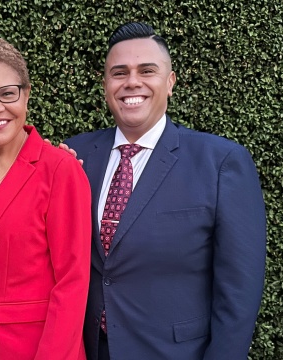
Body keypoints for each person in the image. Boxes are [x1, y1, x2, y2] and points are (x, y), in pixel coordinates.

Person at [63, 22, 267, 360]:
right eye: (119, 73)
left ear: (170, 82)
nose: (132, 82)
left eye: (147, 70)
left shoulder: (221, 162)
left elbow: (240, 294)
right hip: (89, 350)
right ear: (105, 85)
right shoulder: (74, 156)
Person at [0, 38, 91, 360]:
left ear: (26, 94)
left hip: (29, 348)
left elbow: (72, 285)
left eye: (7, 93)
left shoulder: (59, 169)